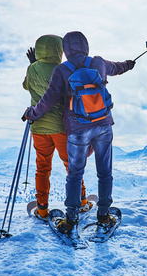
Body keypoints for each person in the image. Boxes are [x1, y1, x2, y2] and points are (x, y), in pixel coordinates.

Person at [24, 31, 135, 235]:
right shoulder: (99, 62)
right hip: (103, 125)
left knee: (74, 174)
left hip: (76, 129)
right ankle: (103, 217)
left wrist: (33, 113)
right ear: (86, 45)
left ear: (65, 50)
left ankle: (71, 221)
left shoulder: (62, 70)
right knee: (104, 173)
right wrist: (129, 63)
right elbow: (118, 68)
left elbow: (49, 99)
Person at [22, 34, 90, 221]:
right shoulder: (64, 69)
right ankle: (82, 202)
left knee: (42, 168)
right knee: (72, 166)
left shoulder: (32, 69)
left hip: (39, 127)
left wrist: (33, 64)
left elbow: (26, 86)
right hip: (62, 127)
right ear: (60, 50)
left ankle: (42, 209)